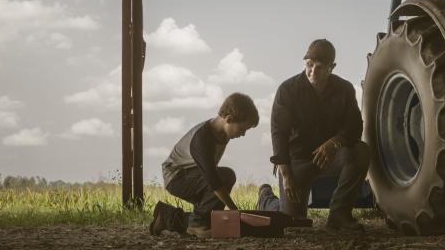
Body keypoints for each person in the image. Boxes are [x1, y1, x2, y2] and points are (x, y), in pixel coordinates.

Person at [258, 39, 370, 232]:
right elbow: (279, 134)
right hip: (297, 162)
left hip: (331, 157)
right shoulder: (287, 90)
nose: (312, 72)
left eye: (319, 67)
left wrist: (335, 142)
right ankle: (266, 197)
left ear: (331, 67)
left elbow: (354, 127)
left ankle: (339, 215)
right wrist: (286, 175)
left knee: (361, 151)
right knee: (291, 220)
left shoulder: (345, 89)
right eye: (309, 65)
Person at [149, 93, 259, 238]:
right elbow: (214, 182)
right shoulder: (202, 139)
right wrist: (235, 211)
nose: (243, 134)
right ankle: (197, 226)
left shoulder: (223, 133)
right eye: (242, 129)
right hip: (177, 178)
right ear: (228, 119)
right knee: (226, 176)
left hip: (194, 175)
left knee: (206, 213)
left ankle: (165, 215)